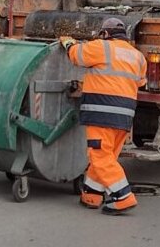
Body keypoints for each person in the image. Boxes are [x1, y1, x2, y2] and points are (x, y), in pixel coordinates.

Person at [59, 17, 147, 215]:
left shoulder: (102, 47)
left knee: (99, 156)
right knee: (108, 155)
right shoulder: (138, 56)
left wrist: (67, 42)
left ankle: (123, 197)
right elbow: (141, 82)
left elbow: (76, 55)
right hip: (125, 115)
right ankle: (92, 195)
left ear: (106, 34)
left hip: (102, 112)